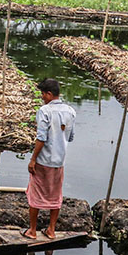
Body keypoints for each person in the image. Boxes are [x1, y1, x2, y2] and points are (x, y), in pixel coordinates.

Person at [24, 78, 76, 240]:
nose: (42, 97)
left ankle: (32, 230)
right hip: (59, 161)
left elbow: (41, 138)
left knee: (35, 194)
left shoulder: (45, 111)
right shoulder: (70, 111)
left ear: (49, 94)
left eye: (43, 94)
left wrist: (33, 159)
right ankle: (51, 230)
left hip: (43, 160)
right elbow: (71, 136)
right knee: (55, 195)